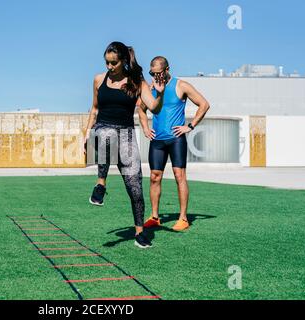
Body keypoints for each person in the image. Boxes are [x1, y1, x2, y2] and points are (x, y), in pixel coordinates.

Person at [84, 42, 165, 249]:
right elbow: (94, 109)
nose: (109, 67)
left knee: (135, 187)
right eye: (107, 63)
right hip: (103, 130)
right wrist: (86, 134)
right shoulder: (98, 80)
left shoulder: (137, 82)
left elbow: (154, 108)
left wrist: (160, 93)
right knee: (106, 134)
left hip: (127, 136)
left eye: (113, 63)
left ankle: (139, 232)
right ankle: (100, 183)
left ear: (123, 61)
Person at [138, 56, 210, 231]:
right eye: (152, 73)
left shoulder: (181, 85)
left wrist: (190, 126)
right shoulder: (150, 88)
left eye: (158, 73)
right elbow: (140, 109)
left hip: (176, 139)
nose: (155, 76)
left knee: (179, 176)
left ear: (167, 69)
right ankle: (155, 217)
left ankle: (183, 218)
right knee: (155, 177)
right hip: (157, 140)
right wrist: (146, 128)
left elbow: (204, 104)